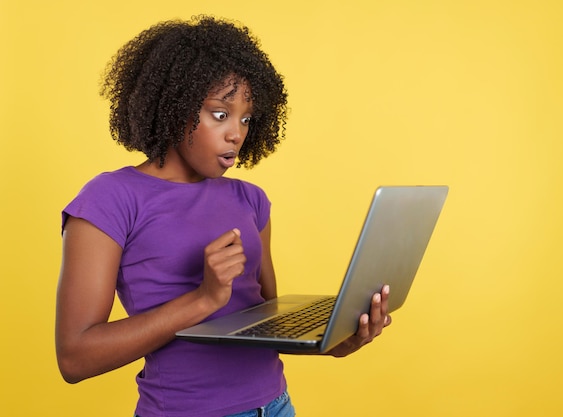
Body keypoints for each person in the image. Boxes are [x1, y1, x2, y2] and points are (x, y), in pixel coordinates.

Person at [55, 15, 391, 417]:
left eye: (246, 118)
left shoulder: (250, 200)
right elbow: (75, 358)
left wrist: (336, 340)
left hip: (277, 406)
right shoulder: (110, 199)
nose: (237, 133)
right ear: (173, 105)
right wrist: (203, 299)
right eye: (220, 114)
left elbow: (263, 322)